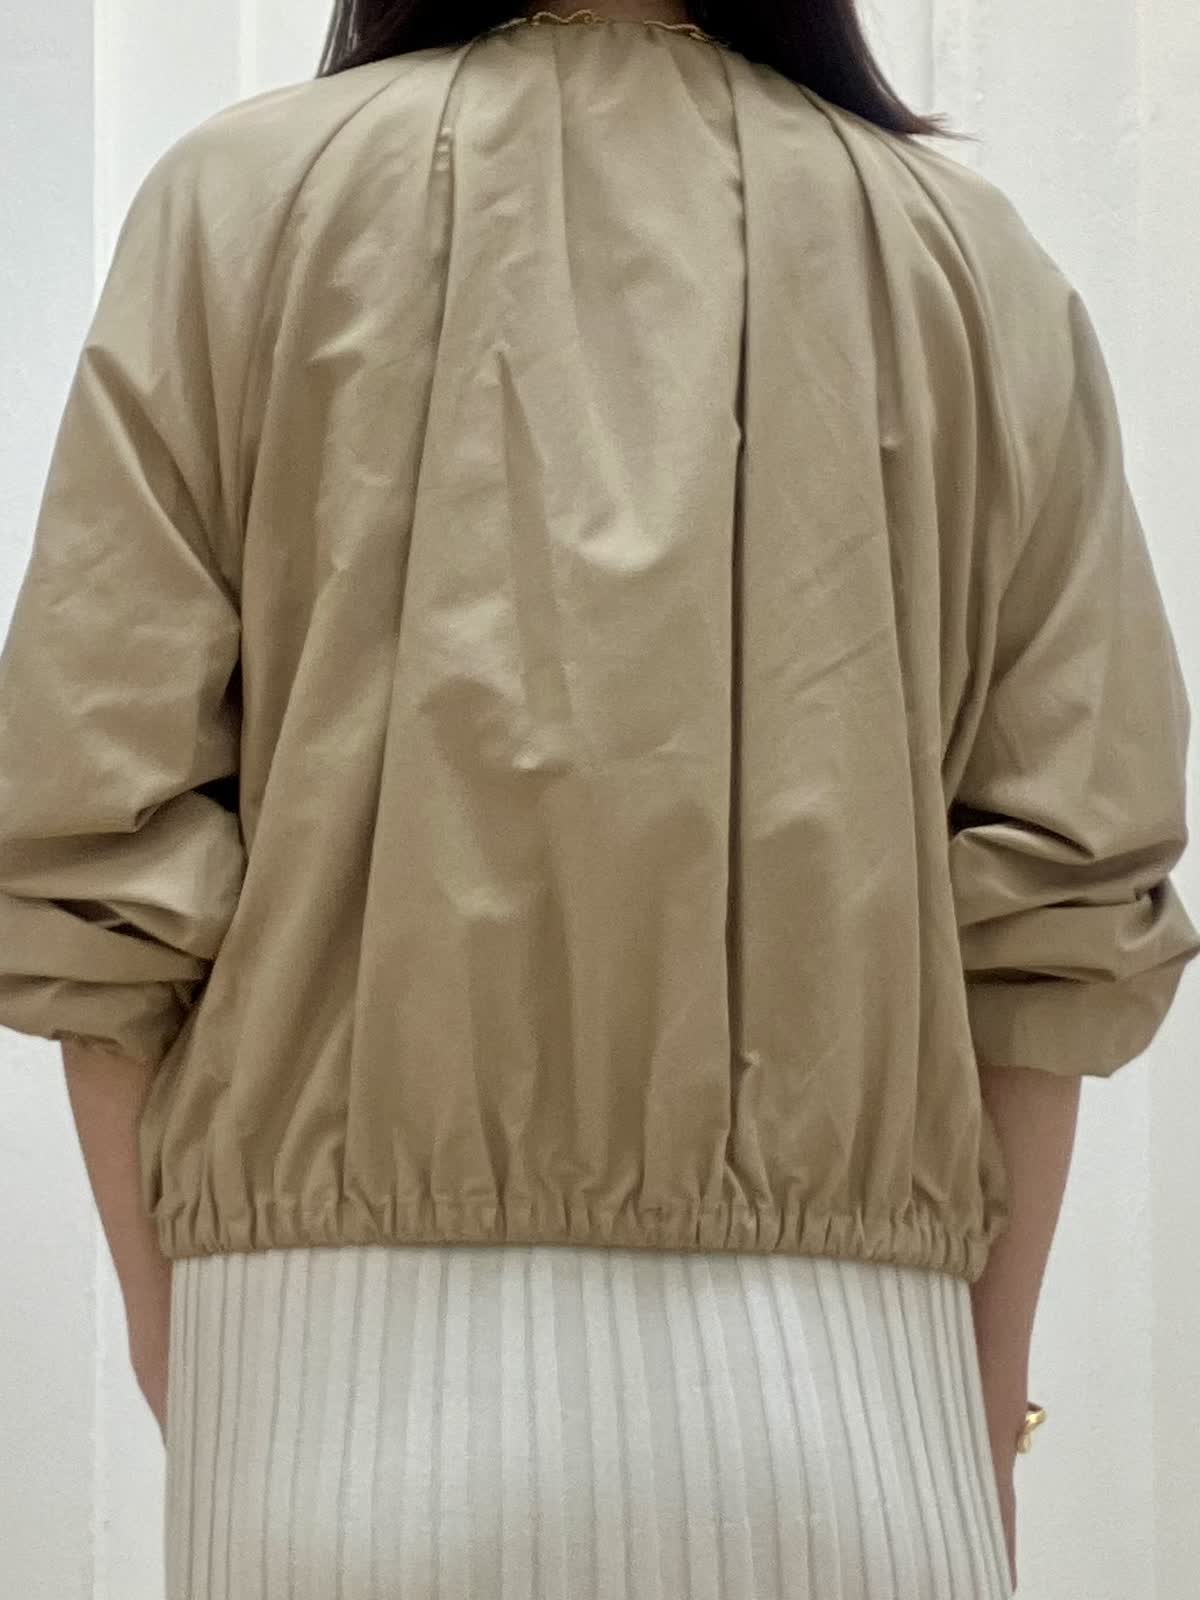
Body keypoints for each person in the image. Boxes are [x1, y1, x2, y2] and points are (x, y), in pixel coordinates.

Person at [0, 1, 1196, 1595]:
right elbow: (1064, 898)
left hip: (313, 1396)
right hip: (856, 1419)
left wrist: (188, 1349)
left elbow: (90, 833)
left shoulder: (243, 207)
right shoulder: (967, 264)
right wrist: (973, 1415)